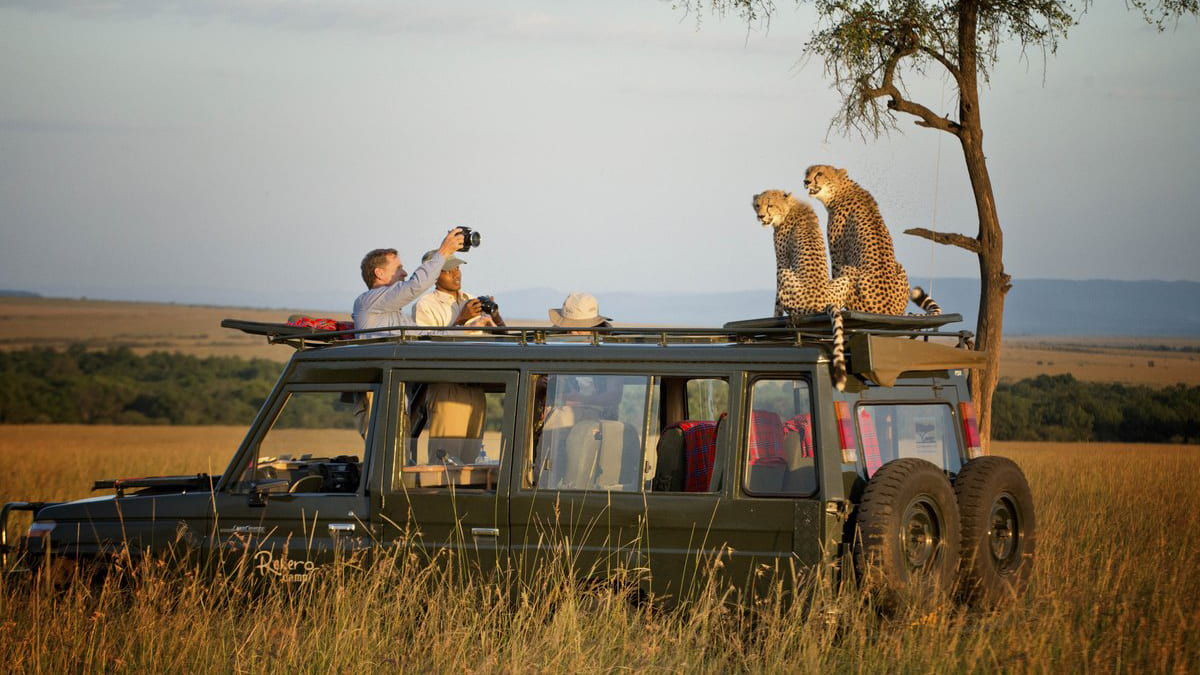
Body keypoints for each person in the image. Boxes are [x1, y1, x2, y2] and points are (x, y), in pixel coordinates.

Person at [351, 228, 465, 336]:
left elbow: (427, 338)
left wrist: (468, 328)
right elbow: (416, 286)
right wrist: (444, 251)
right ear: (379, 273)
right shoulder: (366, 301)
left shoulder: (400, 317)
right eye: (398, 268)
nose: (404, 273)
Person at [411, 250, 505, 334]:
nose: (456, 275)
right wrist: (461, 320)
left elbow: (503, 338)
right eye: (448, 271)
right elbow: (426, 347)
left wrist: (495, 315)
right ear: (432, 276)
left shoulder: (471, 300)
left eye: (457, 268)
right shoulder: (425, 306)